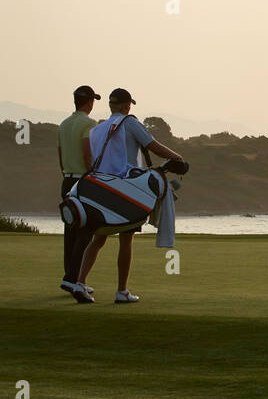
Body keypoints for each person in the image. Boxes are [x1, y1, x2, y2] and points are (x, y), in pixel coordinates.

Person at [75, 88, 184, 304]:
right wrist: (177, 157)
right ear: (126, 106)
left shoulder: (97, 129)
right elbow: (153, 146)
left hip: (101, 189)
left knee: (98, 237)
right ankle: (122, 291)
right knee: (126, 238)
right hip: (126, 189)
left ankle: (79, 282)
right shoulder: (130, 123)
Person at [57, 85, 100, 300]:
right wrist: (93, 176)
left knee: (71, 231)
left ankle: (70, 277)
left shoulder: (64, 124)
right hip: (83, 183)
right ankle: (73, 278)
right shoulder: (90, 123)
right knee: (85, 232)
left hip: (67, 180)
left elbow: (60, 154)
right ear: (89, 102)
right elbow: (87, 153)